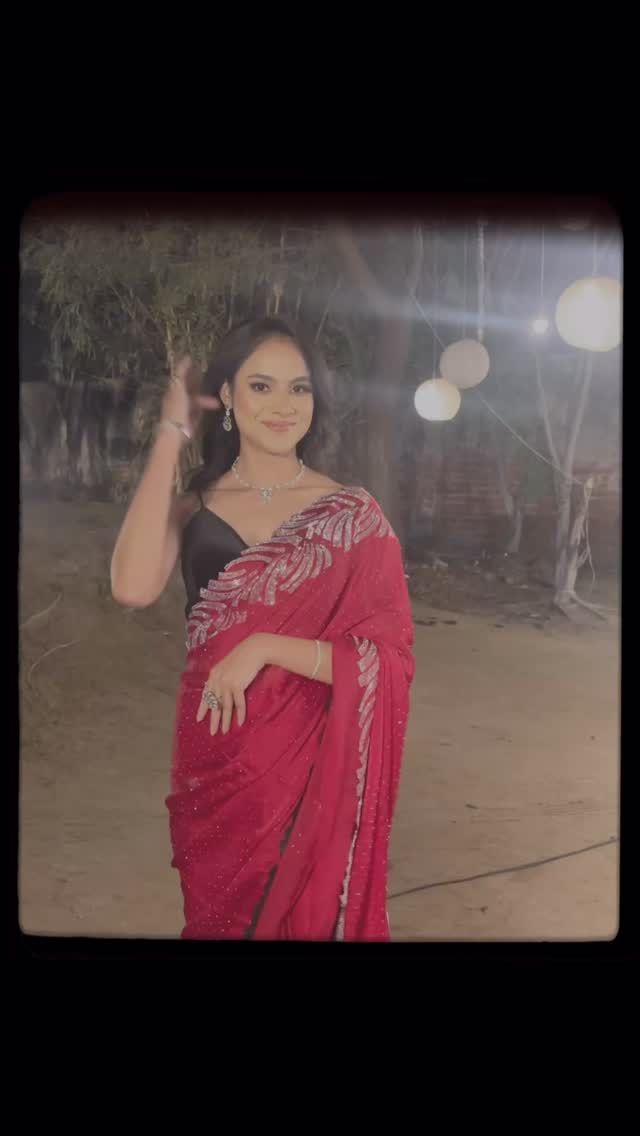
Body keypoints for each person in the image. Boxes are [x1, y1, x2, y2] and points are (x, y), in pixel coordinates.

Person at [111, 317, 414, 940]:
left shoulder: (353, 516)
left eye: (299, 388)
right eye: (261, 386)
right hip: (217, 760)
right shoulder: (195, 507)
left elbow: (388, 660)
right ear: (226, 395)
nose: (283, 406)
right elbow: (132, 587)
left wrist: (266, 646)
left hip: (310, 767)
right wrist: (171, 434)